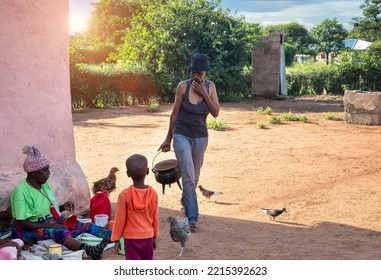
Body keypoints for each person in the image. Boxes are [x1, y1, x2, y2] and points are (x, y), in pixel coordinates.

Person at [11, 145, 111, 260]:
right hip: (27, 230)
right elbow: (23, 223)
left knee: (79, 224)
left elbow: (43, 209)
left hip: (46, 221)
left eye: (48, 169)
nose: (48, 173)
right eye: (44, 170)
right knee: (58, 231)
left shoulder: (43, 185)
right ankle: (90, 250)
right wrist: (52, 225)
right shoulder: (21, 191)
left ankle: (113, 236)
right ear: (33, 173)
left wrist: (62, 207)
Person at [158, 53, 220, 233]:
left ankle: (186, 201)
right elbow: (174, 113)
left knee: (194, 177)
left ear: (205, 73)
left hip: (201, 137)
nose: (197, 76)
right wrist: (168, 138)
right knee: (188, 177)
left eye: (200, 73)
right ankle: (192, 219)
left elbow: (215, 113)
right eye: (194, 72)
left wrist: (203, 93)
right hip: (181, 134)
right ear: (191, 71)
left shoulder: (210, 87)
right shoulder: (182, 87)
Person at [111, 154, 159, 260]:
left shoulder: (124, 195)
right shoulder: (153, 194)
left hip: (131, 239)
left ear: (128, 174)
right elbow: (155, 217)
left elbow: (120, 219)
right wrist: (154, 235)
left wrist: (116, 238)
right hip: (148, 237)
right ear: (147, 171)